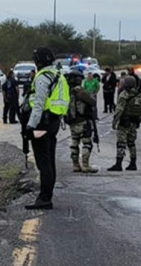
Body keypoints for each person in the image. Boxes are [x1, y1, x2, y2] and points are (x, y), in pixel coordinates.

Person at [22, 47, 69, 210]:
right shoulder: (58, 75)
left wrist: (30, 126)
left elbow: (39, 104)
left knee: (43, 162)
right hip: (54, 122)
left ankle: (44, 198)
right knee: (49, 160)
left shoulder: (43, 77)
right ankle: (46, 195)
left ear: (39, 61)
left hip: (43, 123)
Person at [66, 68, 98, 173]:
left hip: (72, 122)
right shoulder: (80, 92)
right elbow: (92, 101)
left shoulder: (67, 91)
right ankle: (85, 165)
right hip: (83, 121)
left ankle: (75, 165)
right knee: (87, 143)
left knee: (74, 143)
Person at [108, 76, 141, 171]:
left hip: (124, 122)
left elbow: (119, 109)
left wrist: (115, 122)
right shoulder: (138, 94)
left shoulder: (124, 94)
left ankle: (118, 164)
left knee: (121, 143)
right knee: (131, 143)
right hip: (134, 122)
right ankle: (133, 163)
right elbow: (140, 110)